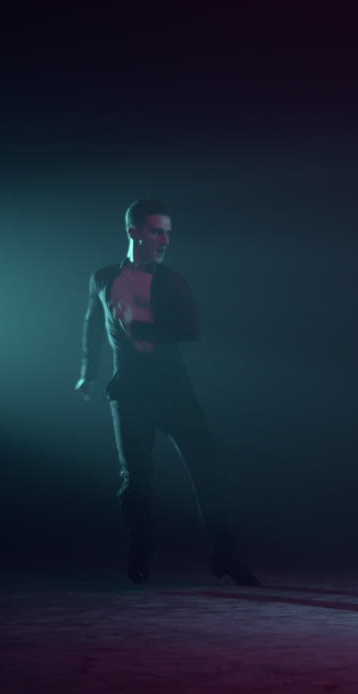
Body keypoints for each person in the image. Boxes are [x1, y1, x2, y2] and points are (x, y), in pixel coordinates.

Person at [75, 199, 260, 586]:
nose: (165, 240)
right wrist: (87, 373)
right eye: (156, 231)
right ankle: (140, 555)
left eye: (168, 233)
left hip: (173, 390)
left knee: (206, 471)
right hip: (129, 391)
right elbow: (92, 325)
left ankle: (224, 555)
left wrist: (139, 327)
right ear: (134, 232)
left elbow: (191, 329)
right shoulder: (103, 277)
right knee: (135, 478)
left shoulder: (172, 280)